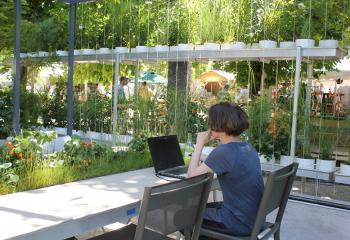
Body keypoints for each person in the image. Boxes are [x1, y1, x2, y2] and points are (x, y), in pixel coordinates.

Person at [188, 102, 264, 236]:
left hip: (238, 222)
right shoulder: (247, 148)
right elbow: (231, 163)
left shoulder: (223, 152)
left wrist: (199, 144)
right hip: (255, 218)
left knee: (183, 216)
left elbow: (191, 177)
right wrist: (208, 161)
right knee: (199, 208)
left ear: (218, 124)